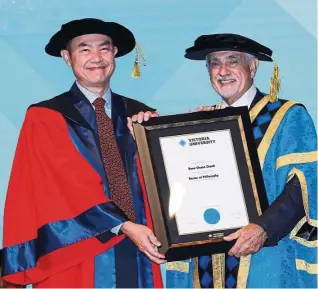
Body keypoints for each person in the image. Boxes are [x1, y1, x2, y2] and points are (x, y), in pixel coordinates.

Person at [129, 34, 317, 288]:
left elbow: (303, 187)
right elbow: (181, 188)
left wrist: (263, 228)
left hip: (265, 258)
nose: (223, 71)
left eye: (233, 61)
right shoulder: (201, 123)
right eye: (214, 63)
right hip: (207, 260)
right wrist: (147, 138)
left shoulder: (287, 116)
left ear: (252, 66)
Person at [1, 18, 165, 288]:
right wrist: (123, 225)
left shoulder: (141, 115)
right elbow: (66, 186)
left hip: (138, 247)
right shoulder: (45, 117)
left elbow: (168, 186)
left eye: (104, 48)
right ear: (67, 57)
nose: (96, 58)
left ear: (115, 54)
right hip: (73, 252)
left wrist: (153, 143)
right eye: (84, 49)